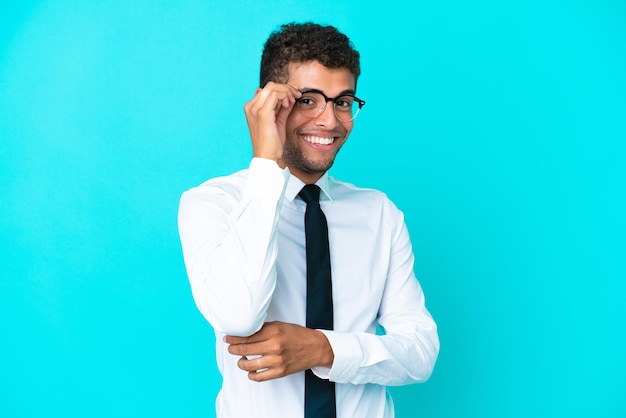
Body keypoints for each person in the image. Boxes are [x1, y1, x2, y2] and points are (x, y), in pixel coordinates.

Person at [178, 22, 439, 418]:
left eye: (342, 101)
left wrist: (323, 348)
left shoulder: (378, 213)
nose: (330, 121)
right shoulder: (213, 203)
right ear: (268, 103)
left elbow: (420, 352)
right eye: (309, 100)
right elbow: (238, 315)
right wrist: (266, 161)